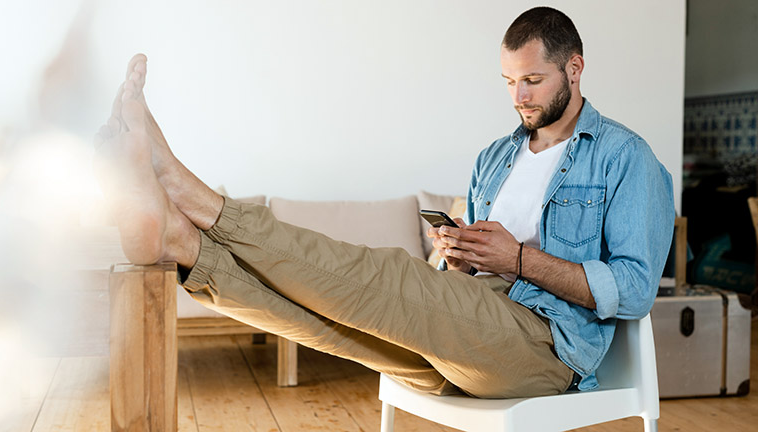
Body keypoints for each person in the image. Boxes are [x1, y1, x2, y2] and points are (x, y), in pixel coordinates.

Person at [94, 6, 674, 399]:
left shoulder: (626, 159)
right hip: (469, 332)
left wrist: (517, 261)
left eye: (533, 80)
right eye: (507, 82)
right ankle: (182, 242)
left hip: (544, 347)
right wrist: (460, 252)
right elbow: (470, 269)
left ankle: (188, 191)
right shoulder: (496, 156)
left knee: (388, 275)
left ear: (575, 69)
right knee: (321, 319)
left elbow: (634, 289)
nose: (518, 97)